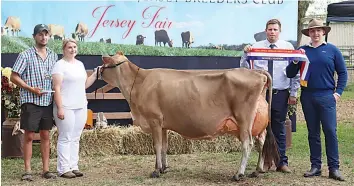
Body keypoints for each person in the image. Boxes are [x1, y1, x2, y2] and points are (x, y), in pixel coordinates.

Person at [286, 18, 347, 181]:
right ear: (309, 33)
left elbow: (343, 73)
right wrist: (294, 61)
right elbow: (290, 73)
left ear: (324, 32)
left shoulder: (333, 50)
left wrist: (338, 92)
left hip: (327, 96)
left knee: (330, 131)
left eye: (319, 30)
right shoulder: (302, 51)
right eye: (312, 31)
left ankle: (334, 168)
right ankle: (315, 166)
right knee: (313, 133)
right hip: (308, 95)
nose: (316, 33)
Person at [240, 19, 300, 173]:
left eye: (275, 29)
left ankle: (281, 162)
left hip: (280, 92)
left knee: (279, 127)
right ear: (265, 31)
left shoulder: (287, 47)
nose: (272, 32)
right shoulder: (255, 47)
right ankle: (266, 162)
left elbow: (294, 73)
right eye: (270, 29)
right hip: (261, 94)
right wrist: (245, 54)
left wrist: (293, 93)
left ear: (279, 31)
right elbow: (245, 69)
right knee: (263, 127)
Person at [10, 24, 58, 181]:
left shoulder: (53, 56)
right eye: (40, 34)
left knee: (45, 135)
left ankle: (46, 170)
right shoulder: (25, 55)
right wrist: (30, 89)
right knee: (29, 136)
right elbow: (13, 76)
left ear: (49, 37)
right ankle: (28, 171)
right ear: (34, 36)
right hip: (31, 100)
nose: (43, 37)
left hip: (47, 100)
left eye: (46, 34)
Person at [52, 38, 98, 178]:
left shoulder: (80, 64)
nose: (72, 49)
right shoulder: (59, 65)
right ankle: (63, 169)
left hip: (80, 105)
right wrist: (60, 107)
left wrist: (95, 74)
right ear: (64, 49)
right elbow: (57, 88)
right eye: (69, 47)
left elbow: (83, 85)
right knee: (65, 137)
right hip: (66, 106)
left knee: (76, 137)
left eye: (74, 47)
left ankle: (73, 166)